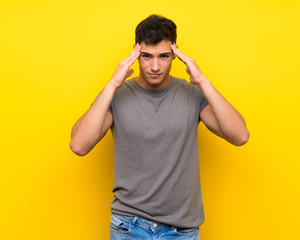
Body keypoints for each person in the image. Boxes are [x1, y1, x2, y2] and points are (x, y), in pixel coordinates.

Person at [70, 14, 249, 240]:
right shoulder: (116, 95)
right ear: (135, 53)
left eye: (164, 56)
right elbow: (79, 145)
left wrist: (202, 81)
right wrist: (113, 83)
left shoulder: (193, 94)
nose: (155, 66)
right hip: (128, 226)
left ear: (175, 54)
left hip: (181, 230)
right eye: (146, 56)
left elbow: (240, 136)